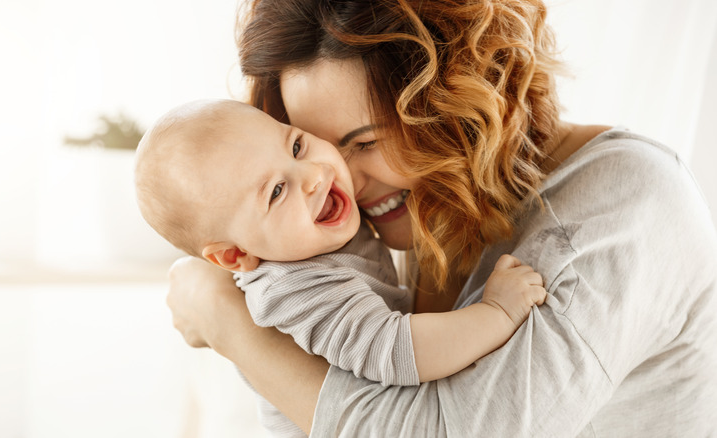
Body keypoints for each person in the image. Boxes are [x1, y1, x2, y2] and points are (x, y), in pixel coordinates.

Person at [166, 0, 717, 436]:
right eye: (313, 145)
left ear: (457, 102)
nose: (341, 183)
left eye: (366, 142)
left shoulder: (624, 202)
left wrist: (227, 323)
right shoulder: (438, 214)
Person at [134, 98, 546, 388]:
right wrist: (497, 311)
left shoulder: (308, 232)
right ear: (235, 255)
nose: (313, 175)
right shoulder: (294, 289)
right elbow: (398, 352)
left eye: (296, 145)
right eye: (277, 191)